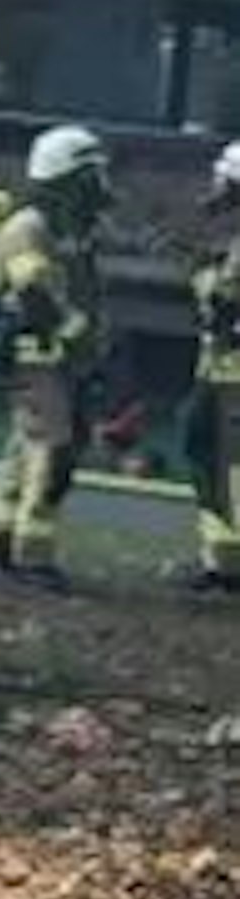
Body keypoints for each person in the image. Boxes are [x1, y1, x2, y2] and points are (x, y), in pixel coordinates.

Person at [0, 124, 112, 593]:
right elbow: (34, 291)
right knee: (51, 451)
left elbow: (85, 292)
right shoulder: (27, 228)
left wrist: (93, 348)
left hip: (59, 358)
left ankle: (1, 546)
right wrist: (73, 332)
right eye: (88, 177)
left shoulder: (71, 231)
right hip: (34, 355)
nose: (98, 187)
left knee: (27, 451)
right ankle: (30, 558)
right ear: (62, 179)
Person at [175, 142, 240, 595]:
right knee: (207, 451)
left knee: (213, 452)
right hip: (218, 369)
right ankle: (223, 562)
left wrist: (197, 269)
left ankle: (226, 564)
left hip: (231, 374)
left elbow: (223, 305)